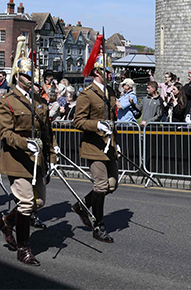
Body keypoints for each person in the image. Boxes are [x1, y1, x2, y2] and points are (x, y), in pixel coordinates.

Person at [0, 53, 56, 265]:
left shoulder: (38, 100)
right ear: (18, 76)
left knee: (39, 202)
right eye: (27, 76)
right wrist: (25, 143)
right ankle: (24, 248)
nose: (31, 80)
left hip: (37, 159)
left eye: (33, 76)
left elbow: (46, 130)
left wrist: (53, 154)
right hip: (17, 158)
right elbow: (5, 133)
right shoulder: (7, 101)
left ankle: (6, 221)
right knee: (26, 202)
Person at [72, 54, 117, 243]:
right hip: (93, 146)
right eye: (107, 71)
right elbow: (78, 121)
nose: (110, 75)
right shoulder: (87, 93)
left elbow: (112, 121)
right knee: (101, 185)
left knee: (112, 185)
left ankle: (82, 206)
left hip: (108, 145)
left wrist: (116, 141)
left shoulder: (110, 92)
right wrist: (97, 125)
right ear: (98, 72)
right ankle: (99, 226)